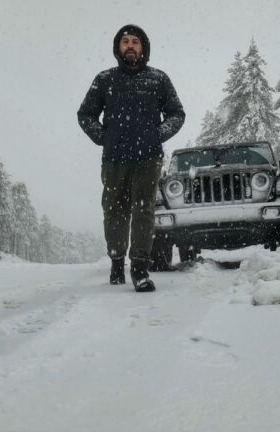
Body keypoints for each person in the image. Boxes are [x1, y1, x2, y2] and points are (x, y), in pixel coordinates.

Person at [77, 24, 185, 292]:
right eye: (125, 42)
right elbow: (85, 115)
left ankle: (139, 267)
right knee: (114, 210)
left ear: (143, 47)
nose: (130, 46)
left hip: (148, 158)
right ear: (118, 48)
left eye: (135, 42)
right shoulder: (104, 80)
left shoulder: (158, 79)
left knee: (144, 211)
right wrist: (104, 137)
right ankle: (116, 261)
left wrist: (157, 134)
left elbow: (177, 114)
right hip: (114, 158)